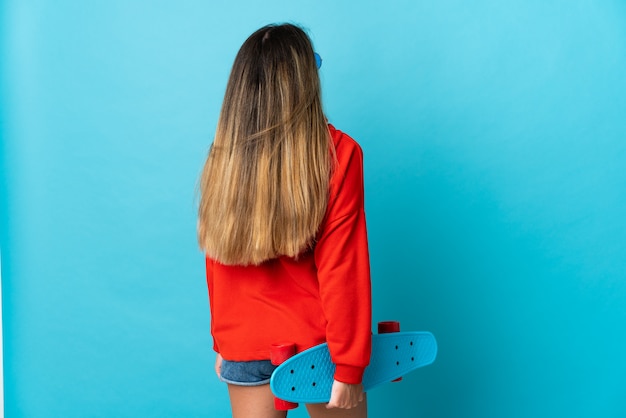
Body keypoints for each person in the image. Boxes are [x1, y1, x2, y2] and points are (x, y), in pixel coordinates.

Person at [198, 23, 372, 418]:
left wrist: (222, 344)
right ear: (305, 82)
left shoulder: (222, 157)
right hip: (319, 348)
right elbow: (343, 267)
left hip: (243, 342)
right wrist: (349, 363)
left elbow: (215, 256)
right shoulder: (338, 154)